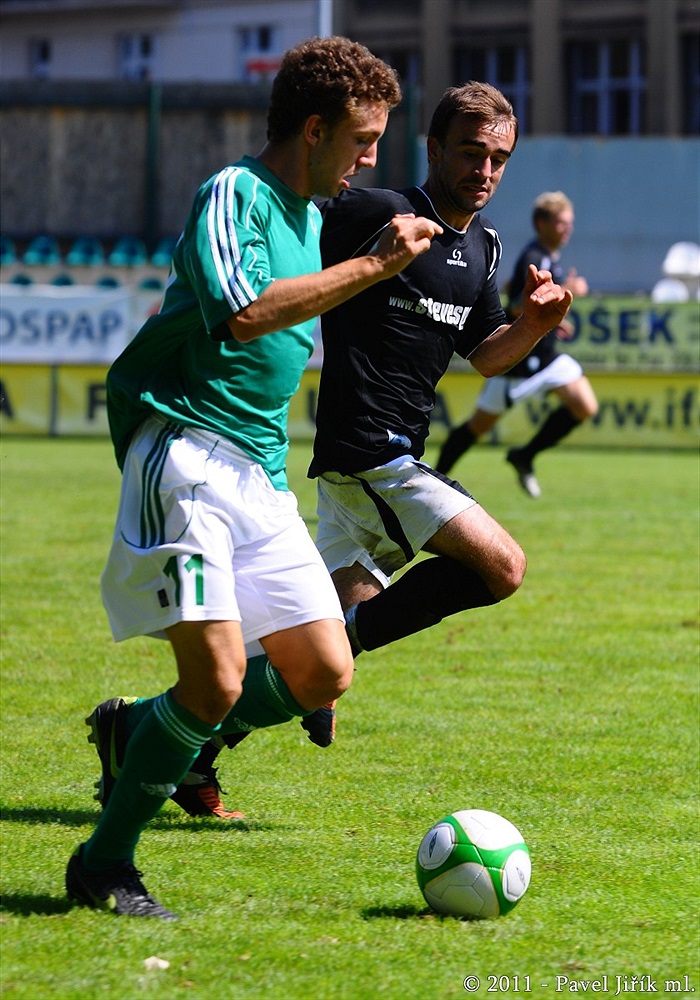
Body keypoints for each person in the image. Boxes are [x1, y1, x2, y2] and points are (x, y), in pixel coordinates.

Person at [65, 35, 443, 920]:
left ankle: (136, 727)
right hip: (187, 451)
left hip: (260, 474)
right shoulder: (233, 193)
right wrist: (375, 265)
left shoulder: (313, 215)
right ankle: (104, 862)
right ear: (313, 129)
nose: (370, 159)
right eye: (361, 139)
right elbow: (242, 314)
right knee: (218, 683)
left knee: (324, 670)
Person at [166, 82, 574, 816]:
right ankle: (331, 652)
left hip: (380, 462)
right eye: (470, 152)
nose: (484, 170)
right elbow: (289, 234)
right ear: (435, 149)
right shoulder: (377, 212)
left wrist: (534, 325)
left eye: (499, 159)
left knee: (306, 659)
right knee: (502, 566)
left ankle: (172, 744)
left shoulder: (484, 249)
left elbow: (486, 355)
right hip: (369, 452)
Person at [436, 190, 598, 496]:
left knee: (584, 404)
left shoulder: (548, 257)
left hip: (547, 357)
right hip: (519, 364)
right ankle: (437, 476)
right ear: (542, 223)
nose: (568, 228)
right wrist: (568, 288)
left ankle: (524, 455)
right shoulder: (534, 257)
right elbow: (514, 307)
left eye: (570, 222)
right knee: (477, 427)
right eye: (562, 222)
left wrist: (556, 322)